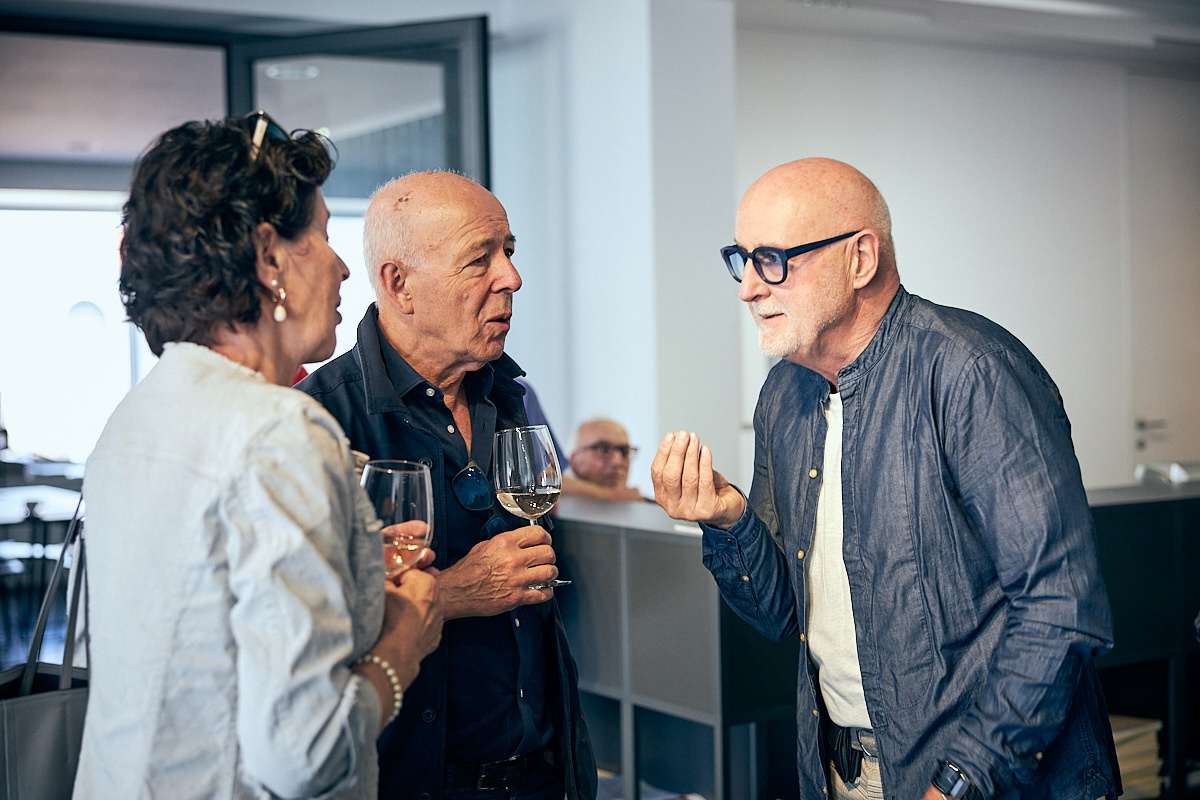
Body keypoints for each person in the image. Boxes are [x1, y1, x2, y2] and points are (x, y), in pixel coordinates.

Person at [651, 158, 1120, 800]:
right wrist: (727, 520)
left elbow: (1061, 609)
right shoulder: (784, 396)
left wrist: (960, 783)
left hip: (988, 780)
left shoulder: (972, 372)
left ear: (861, 259)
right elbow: (783, 615)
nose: (749, 289)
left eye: (773, 260)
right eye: (742, 259)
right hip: (845, 772)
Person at [76, 114, 443, 799]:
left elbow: (199, 614)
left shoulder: (137, 416)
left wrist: (345, 560)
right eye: (322, 236)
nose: (341, 267)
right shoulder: (279, 431)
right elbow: (305, 755)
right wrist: (403, 643)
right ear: (270, 257)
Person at [298, 171, 596, 800]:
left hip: (544, 777)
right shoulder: (318, 423)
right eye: (479, 259)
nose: (511, 278)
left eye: (508, 251)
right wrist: (452, 593)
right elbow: (300, 642)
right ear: (398, 285)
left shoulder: (509, 396)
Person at [563, 418, 645, 502]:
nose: (617, 462)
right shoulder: (556, 502)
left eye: (625, 451)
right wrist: (611, 495)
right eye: (604, 450)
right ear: (574, 459)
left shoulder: (647, 506)